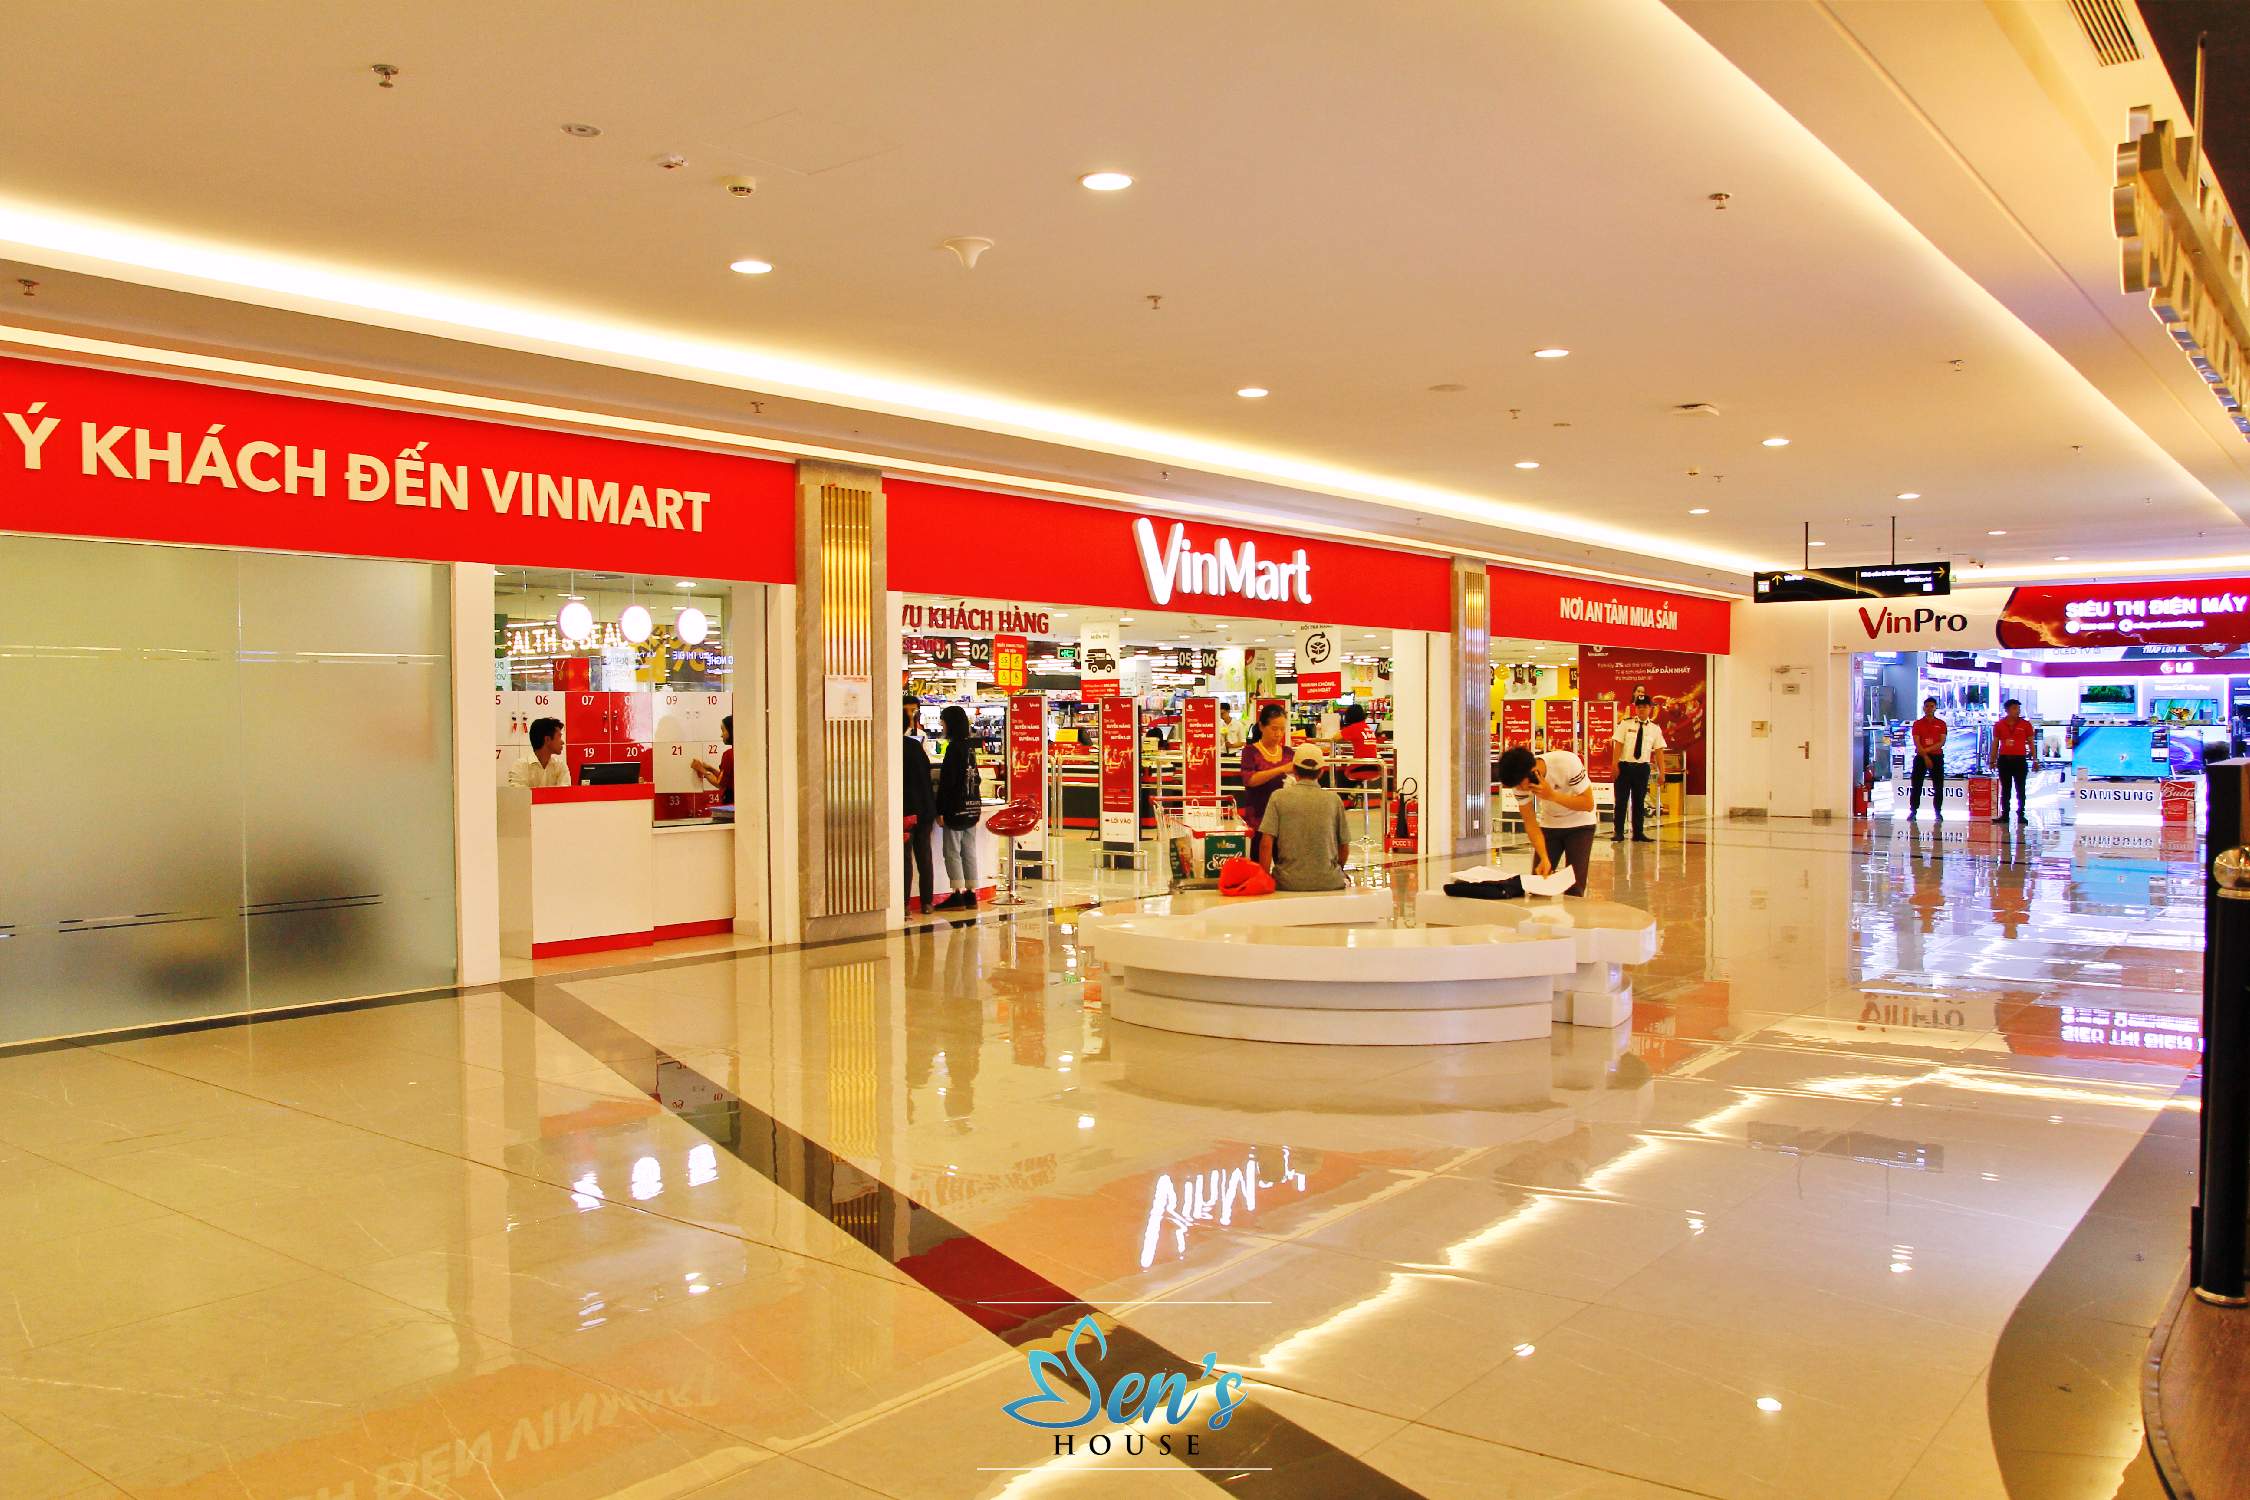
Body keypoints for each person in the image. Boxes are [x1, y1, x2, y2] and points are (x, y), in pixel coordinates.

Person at [1495, 743, 1598, 897]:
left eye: (1520, 785)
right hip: (1550, 824)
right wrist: (1544, 857)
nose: (1520, 789)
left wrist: (1552, 796)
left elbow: (1588, 804)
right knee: (1538, 884)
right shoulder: (1519, 783)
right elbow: (1530, 824)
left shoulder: (1567, 762)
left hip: (1581, 823)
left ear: (1532, 771)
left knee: (1574, 888)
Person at [1257, 743, 1350, 891]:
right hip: (1330, 881)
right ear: (1321, 772)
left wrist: (1264, 879)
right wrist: (1336, 870)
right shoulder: (1334, 800)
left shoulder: (1278, 797)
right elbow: (1344, 846)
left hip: (1287, 882)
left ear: (1294, 770)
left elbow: (1266, 844)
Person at [935, 703, 982, 910]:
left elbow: (948, 783)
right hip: (971, 807)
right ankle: (971, 893)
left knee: (952, 851)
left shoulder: (953, 749)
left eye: (943, 722)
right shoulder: (969, 747)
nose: (942, 726)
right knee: (969, 850)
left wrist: (940, 810)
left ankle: (956, 893)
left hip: (955, 808)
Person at [1609, 690, 1666, 843]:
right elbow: (1618, 745)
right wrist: (1614, 764)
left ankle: (1638, 833)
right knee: (1621, 801)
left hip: (1642, 769)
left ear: (1650, 708)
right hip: (1624, 767)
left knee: (1639, 801)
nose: (1642, 709)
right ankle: (1618, 832)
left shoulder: (1655, 729)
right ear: (1635, 708)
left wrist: (1662, 772)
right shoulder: (1625, 724)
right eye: (1639, 706)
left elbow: (1659, 751)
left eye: (1645, 706)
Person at [901, 695, 938, 914]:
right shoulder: (915, 747)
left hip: (906, 811)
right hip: (924, 809)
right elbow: (926, 774)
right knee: (924, 856)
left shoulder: (893, 749)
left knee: (905, 858)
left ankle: (904, 904)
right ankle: (927, 902)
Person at [1236, 702, 1294, 835]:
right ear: (1262, 726)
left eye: (1282, 729)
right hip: (1258, 818)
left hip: (1285, 819)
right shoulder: (1250, 751)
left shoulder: (1288, 752)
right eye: (1274, 729)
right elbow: (1249, 780)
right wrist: (1281, 769)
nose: (1278, 734)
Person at [1989, 697, 2034, 825]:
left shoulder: (2025, 724)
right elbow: (1995, 743)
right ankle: (2005, 814)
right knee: (2005, 789)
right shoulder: (1999, 725)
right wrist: (1992, 760)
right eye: (2015, 708)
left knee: (2021, 788)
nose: (2018, 711)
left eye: (2018, 708)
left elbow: (2031, 742)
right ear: (2007, 710)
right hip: (2004, 760)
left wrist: (2035, 759)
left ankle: (2021, 814)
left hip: (2020, 760)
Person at [1909, 696, 1948, 823]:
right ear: (1923, 708)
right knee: (1916, 785)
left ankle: (1938, 812)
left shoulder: (1941, 724)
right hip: (1921, 757)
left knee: (1938, 786)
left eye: (1932, 706)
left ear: (1935, 708)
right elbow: (1916, 742)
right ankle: (1913, 811)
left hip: (1936, 757)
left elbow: (1941, 742)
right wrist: (1925, 756)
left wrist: (1927, 751)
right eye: (1927, 706)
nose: (1929, 708)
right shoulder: (1918, 724)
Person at [507, 716, 570, 788]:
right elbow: (519, 794)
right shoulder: (520, 767)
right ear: (547, 739)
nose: (562, 742)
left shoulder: (560, 766)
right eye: (559, 737)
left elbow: (565, 793)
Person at [689, 714, 734, 803]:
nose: (721, 735)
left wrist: (701, 770)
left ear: (731, 731)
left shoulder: (728, 754)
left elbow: (720, 784)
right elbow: (726, 779)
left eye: (723, 730)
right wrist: (711, 769)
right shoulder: (737, 753)